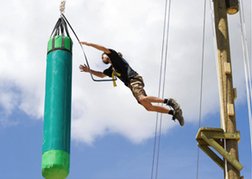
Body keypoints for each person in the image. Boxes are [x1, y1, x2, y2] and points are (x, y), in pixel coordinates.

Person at [79, 41, 184, 126]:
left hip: (133, 79)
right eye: (102, 58)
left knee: (142, 98)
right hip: (131, 84)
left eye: (103, 56)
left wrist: (88, 44)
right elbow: (101, 75)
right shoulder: (111, 69)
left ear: (107, 55)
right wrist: (89, 70)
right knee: (148, 107)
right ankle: (173, 113)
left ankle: (169, 102)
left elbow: (103, 48)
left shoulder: (115, 57)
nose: (103, 58)